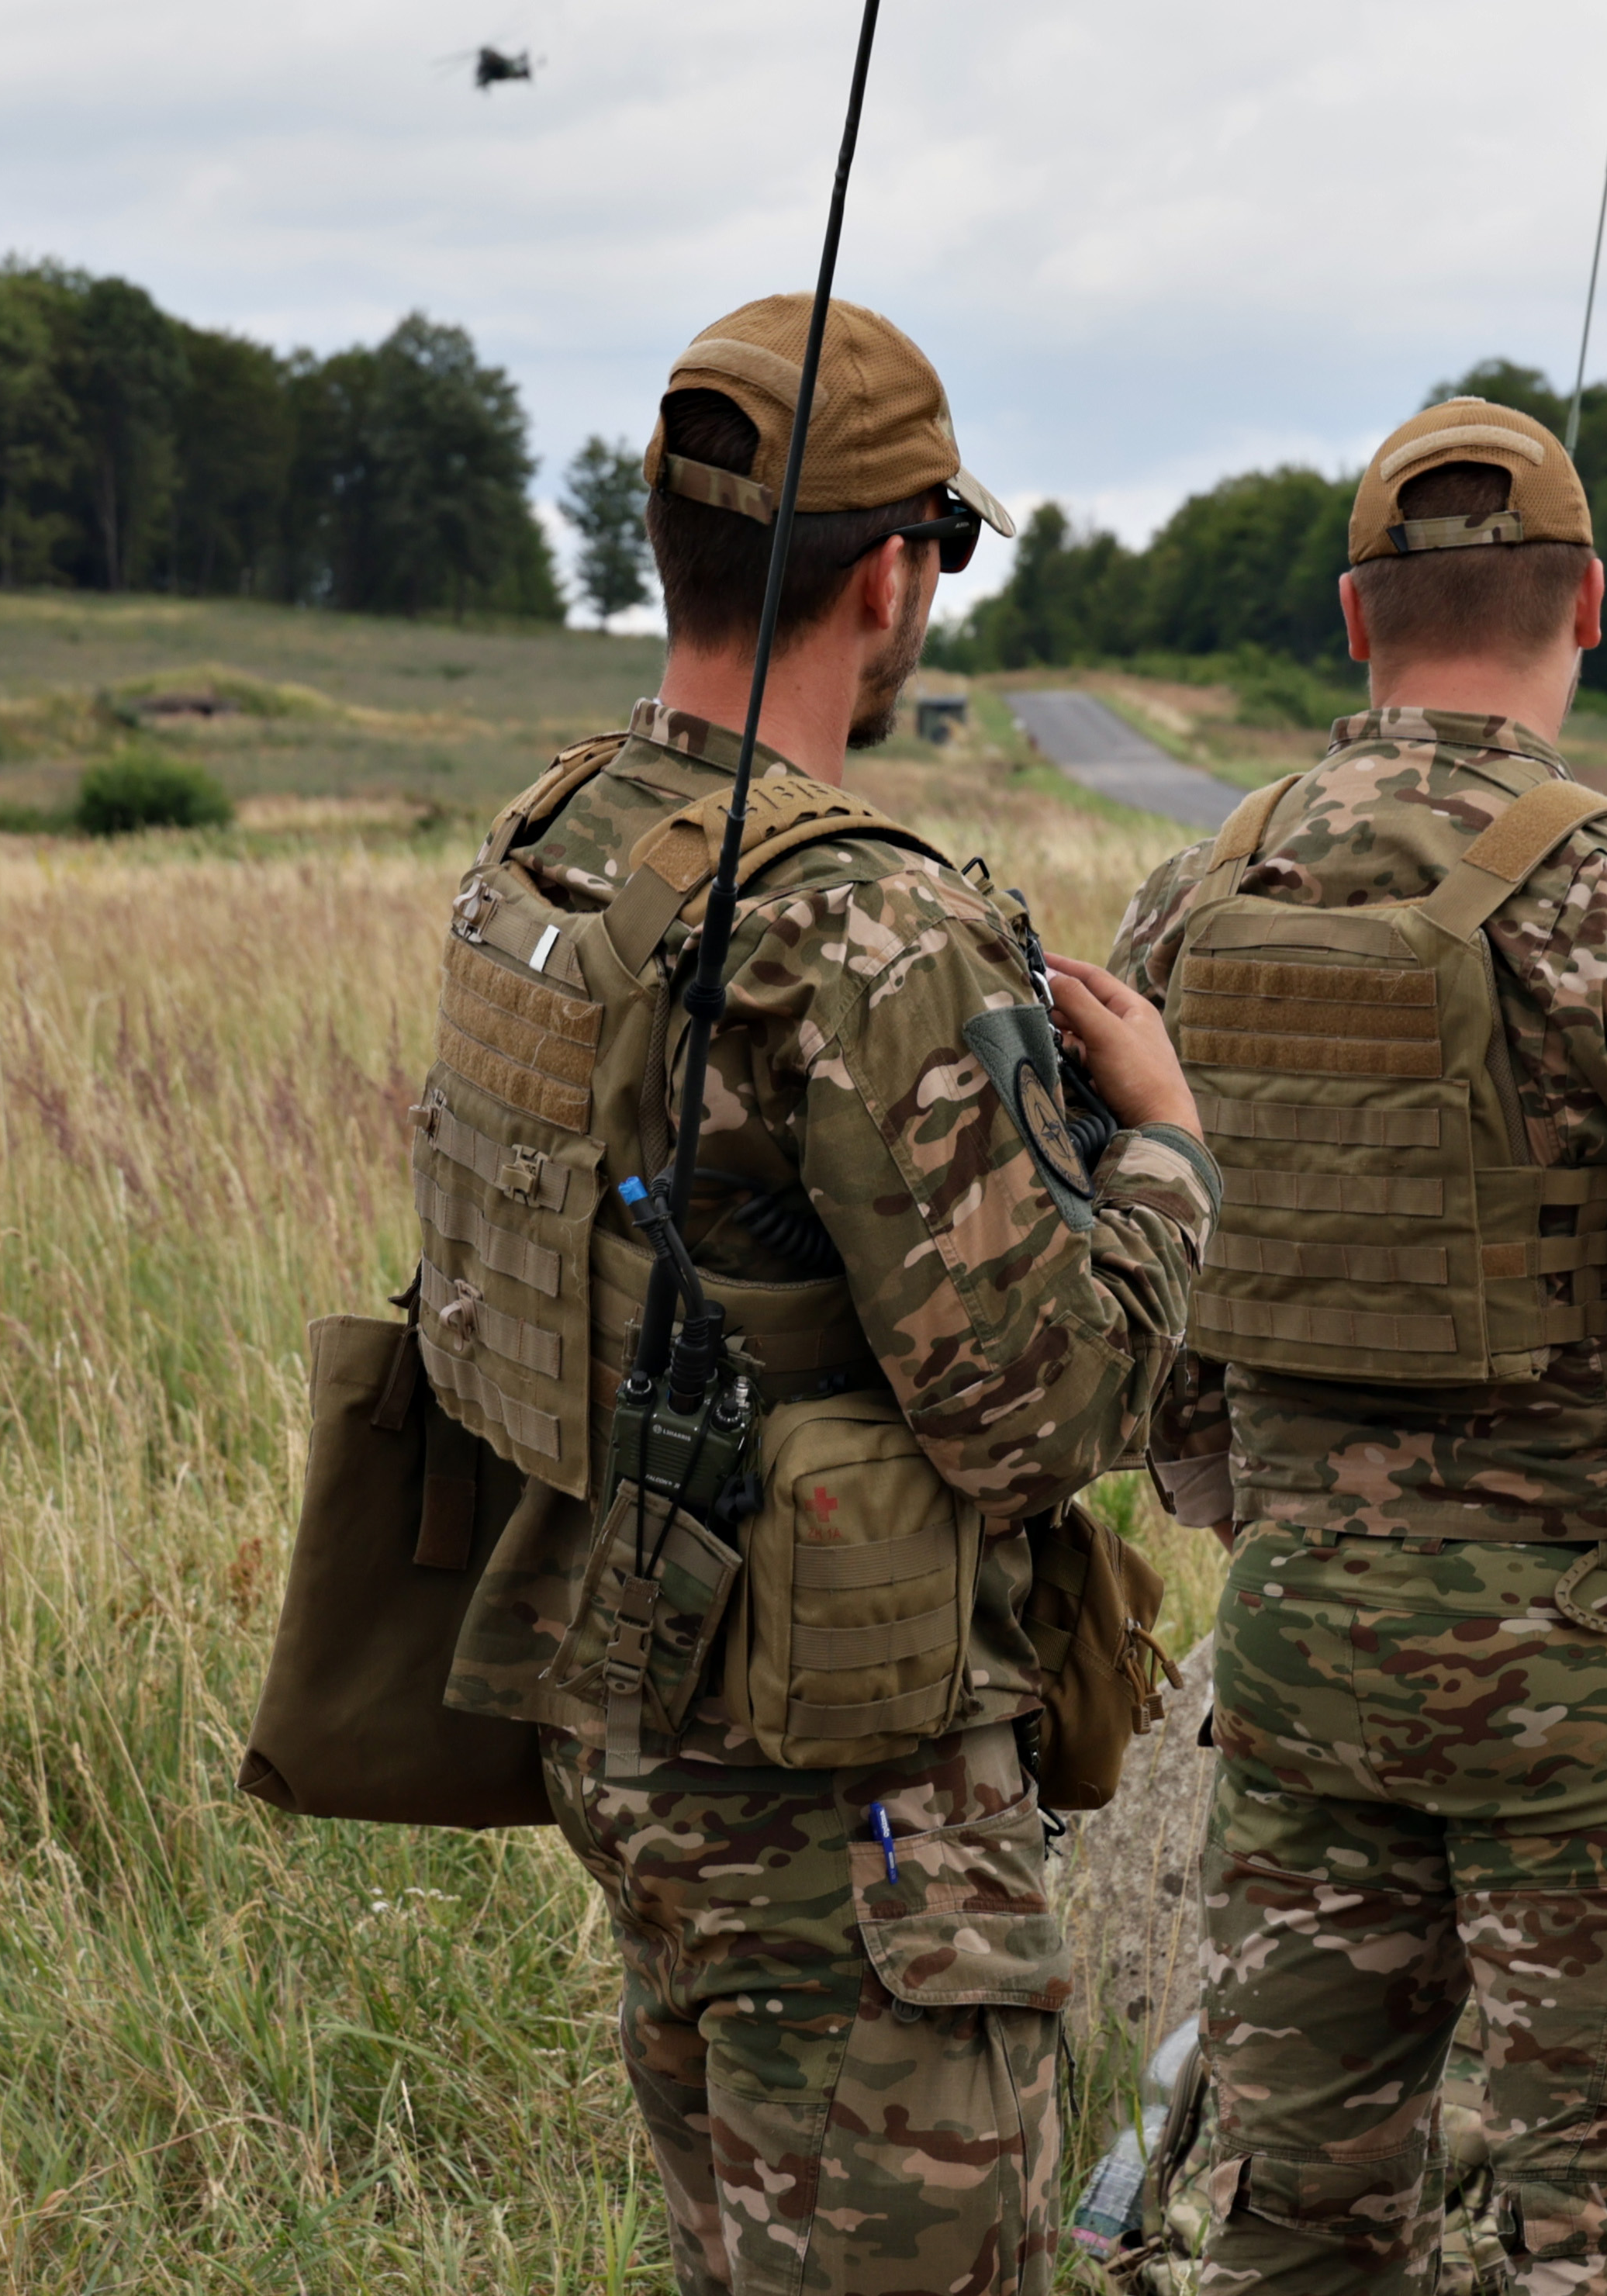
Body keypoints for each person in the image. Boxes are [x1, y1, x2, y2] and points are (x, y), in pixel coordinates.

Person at [416, 295, 1218, 2295]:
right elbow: (1036, 1409)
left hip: (632, 1719)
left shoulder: (555, 846)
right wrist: (1170, 1152)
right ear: (892, 571)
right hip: (842, 1805)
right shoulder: (871, 922)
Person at [1104, 396, 1607, 2296]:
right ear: (1592, 607)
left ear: (1355, 613)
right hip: (1592, 1688)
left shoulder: (1198, 898)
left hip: (1300, 1647)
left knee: (1299, 2212)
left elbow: (1143, 1269)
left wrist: (1259, 1509)